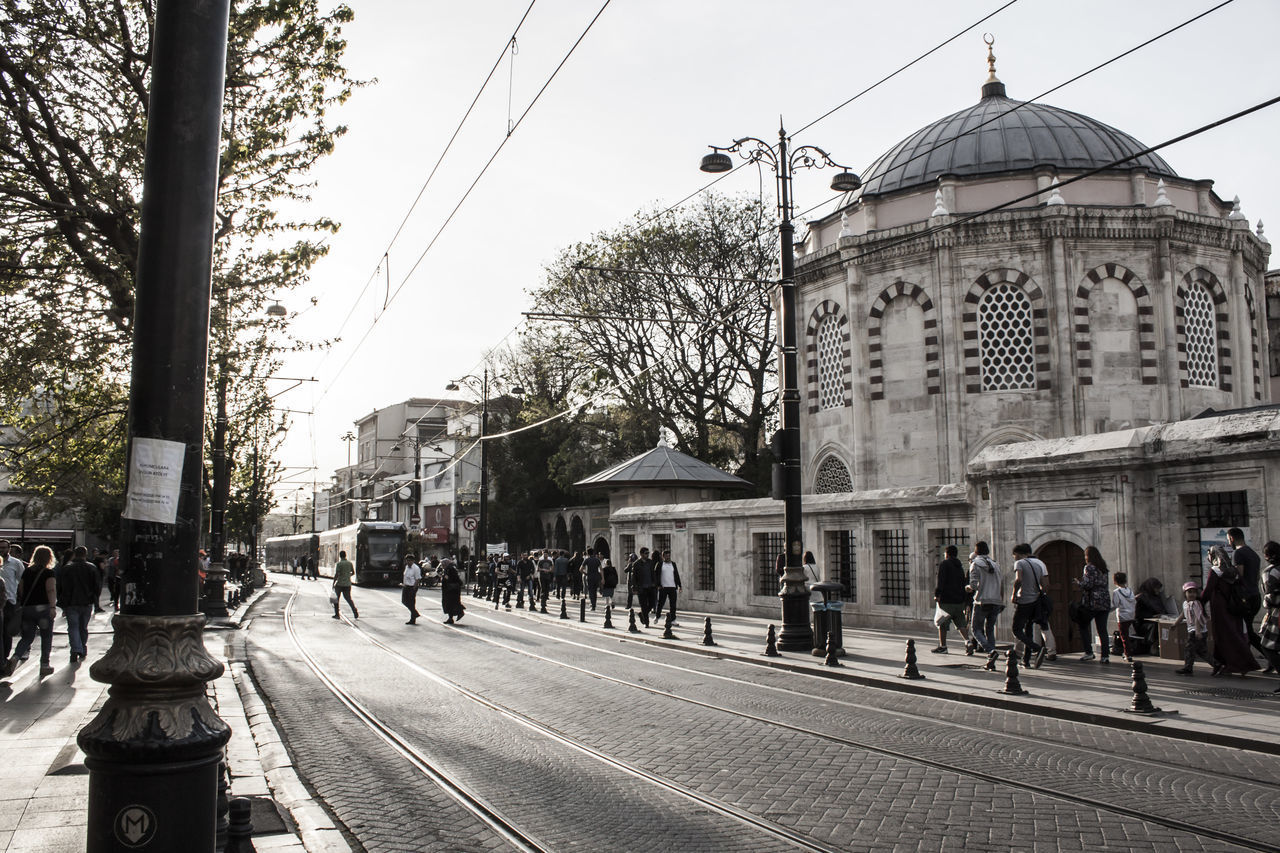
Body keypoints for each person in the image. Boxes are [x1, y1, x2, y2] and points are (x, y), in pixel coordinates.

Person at [1203, 544, 1259, 675]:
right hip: (1235, 608)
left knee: (1225, 637)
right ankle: (1225, 663)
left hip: (1221, 610)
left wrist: (1198, 602)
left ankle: (1235, 664)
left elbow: (1207, 591)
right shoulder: (1234, 571)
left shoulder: (1216, 571)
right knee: (1235, 635)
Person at [11, 545, 58, 677]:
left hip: (28, 608)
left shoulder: (27, 571)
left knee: (27, 637)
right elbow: (51, 590)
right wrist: (53, 607)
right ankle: (44, 664)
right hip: (43, 608)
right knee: (46, 636)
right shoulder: (49, 573)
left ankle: (15, 657)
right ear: (49, 558)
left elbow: (20, 589)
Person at [58, 546, 98, 663]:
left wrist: (63, 603)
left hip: (71, 602)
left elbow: (61, 587)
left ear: (75, 554)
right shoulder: (91, 567)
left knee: (73, 627)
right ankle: (82, 647)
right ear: (85, 554)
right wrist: (95, 600)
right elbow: (97, 586)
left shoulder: (67, 568)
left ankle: (75, 648)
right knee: (83, 627)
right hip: (86, 602)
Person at [1227, 527, 1264, 655]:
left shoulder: (1238, 553)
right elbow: (1257, 577)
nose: (1228, 543)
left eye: (1228, 540)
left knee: (1245, 631)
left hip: (1245, 598)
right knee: (1246, 630)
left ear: (1231, 538)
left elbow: (1238, 575)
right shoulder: (1253, 554)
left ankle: (1270, 656)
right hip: (1255, 597)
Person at [1009, 543, 1046, 668]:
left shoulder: (1020, 563)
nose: (1014, 558)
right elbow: (1045, 584)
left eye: (1014, 555)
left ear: (1019, 554)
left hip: (1024, 600)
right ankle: (1026, 660)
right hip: (1035, 601)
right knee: (1028, 629)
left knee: (1016, 629)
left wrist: (1014, 594)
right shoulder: (1039, 563)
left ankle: (1037, 648)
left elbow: (1018, 580)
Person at [1174, 580, 1221, 675]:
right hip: (1196, 631)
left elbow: (1197, 617)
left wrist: (1198, 631)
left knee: (1189, 649)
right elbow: (1183, 614)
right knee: (1201, 651)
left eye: (1194, 592)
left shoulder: (1195, 604)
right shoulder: (1185, 604)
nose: (1192, 594)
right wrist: (1175, 624)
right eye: (1189, 592)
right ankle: (1216, 664)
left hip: (1196, 631)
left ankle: (1188, 668)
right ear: (1185, 593)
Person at [932, 545, 972, 654]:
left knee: (942, 624)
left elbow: (941, 580)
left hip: (947, 600)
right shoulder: (959, 566)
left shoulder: (944, 564)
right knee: (960, 624)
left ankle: (943, 646)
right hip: (959, 600)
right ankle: (968, 642)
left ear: (947, 554)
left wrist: (937, 594)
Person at [1076, 546, 1112, 663]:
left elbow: (1088, 585)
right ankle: (1105, 655)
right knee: (1102, 630)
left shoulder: (1089, 567)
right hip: (1104, 601)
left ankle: (1088, 652)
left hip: (1092, 602)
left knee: (1083, 625)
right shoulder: (1103, 568)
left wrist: (1079, 583)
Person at [967, 541, 1003, 654]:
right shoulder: (995, 564)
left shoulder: (975, 564)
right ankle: (991, 655)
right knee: (990, 629)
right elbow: (1001, 583)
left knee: (976, 629)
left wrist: (968, 588)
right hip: (996, 601)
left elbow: (973, 585)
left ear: (976, 551)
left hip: (982, 601)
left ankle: (990, 650)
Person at [1257, 541, 1280, 683]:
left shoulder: (1270, 572)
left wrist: (1267, 603)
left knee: (1268, 647)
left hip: (1277, 614)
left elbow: (1270, 596)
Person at [1, 541, 22, 669]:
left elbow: (22, 580)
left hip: (9, 601)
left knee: (6, 632)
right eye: (0, 548)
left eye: (4, 548)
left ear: (9, 549)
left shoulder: (15, 563)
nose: (1, 550)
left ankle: (4, 657)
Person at [1111, 572, 1137, 661]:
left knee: (1124, 636)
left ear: (1115, 581)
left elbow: (1115, 604)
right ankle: (1128, 652)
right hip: (1131, 615)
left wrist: (1107, 610)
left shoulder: (1116, 592)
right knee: (1128, 635)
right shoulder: (1130, 590)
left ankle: (1127, 654)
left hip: (1122, 616)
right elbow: (1134, 601)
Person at [652, 549, 682, 625]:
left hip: (672, 587)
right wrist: (658, 585)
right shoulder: (659, 564)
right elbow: (655, 576)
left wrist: (679, 585)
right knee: (660, 603)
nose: (668, 557)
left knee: (673, 605)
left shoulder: (673, 564)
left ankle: (673, 619)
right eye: (666, 556)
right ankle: (657, 616)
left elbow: (676, 575)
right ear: (663, 556)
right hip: (663, 587)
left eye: (669, 555)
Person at [632, 547, 656, 627]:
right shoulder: (636, 564)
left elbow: (653, 573)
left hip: (650, 586)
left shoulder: (650, 562)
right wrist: (634, 588)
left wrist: (654, 583)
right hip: (641, 588)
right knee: (643, 605)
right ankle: (646, 622)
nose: (647, 555)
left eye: (648, 553)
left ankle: (642, 614)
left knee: (652, 603)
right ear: (641, 554)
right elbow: (634, 577)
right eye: (646, 553)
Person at [331, 550, 358, 620]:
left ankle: (337, 614)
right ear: (345, 555)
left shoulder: (339, 564)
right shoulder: (349, 563)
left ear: (340, 556)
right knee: (348, 599)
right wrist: (347, 575)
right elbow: (353, 572)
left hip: (339, 584)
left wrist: (333, 583)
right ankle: (354, 611)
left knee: (336, 599)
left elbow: (337, 574)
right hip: (347, 584)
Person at [440, 558, 465, 624]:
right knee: (449, 604)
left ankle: (459, 613)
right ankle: (450, 618)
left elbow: (454, 578)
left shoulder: (450, 569)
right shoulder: (447, 569)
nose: (442, 566)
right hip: (448, 589)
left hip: (452, 590)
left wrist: (447, 578)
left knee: (452, 603)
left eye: (443, 564)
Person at [401, 554, 423, 625]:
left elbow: (417, 579)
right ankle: (415, 613)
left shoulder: (416, 568)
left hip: (412, 587)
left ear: (413, 561)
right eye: (407, 560)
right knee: (404, 601)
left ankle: (412, 619)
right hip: (406, 586)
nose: (408, 562)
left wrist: (414, 588)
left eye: (410, 560)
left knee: (411, 603)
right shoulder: (407, 567)